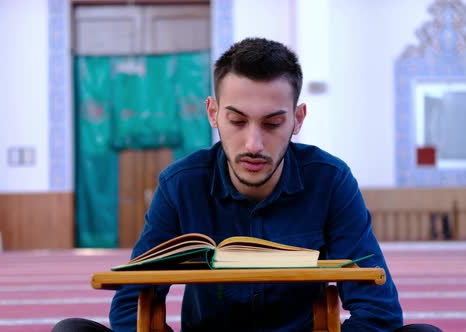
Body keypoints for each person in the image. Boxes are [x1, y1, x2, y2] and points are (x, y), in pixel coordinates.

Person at [53, 38, 442, 332]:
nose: (254, 144)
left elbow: (379, 311)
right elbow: (128, 305)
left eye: (273, 124)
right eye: (237, 121)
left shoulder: (330, 181)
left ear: (297, 119)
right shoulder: (181, 184)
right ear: (213, 113)